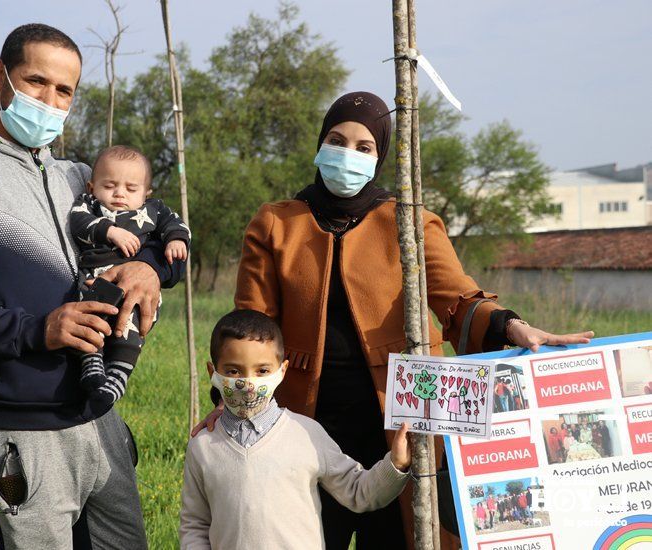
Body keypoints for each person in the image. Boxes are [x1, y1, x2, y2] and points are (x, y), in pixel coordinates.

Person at [193, 91, 593, 550]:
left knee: (401, 534)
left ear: (380, 156)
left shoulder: (410, 222)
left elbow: (458, 298)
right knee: (302, 531)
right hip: (302, 418)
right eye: (337, 140)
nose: (348, 154)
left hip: (403, 418)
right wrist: (228, 396)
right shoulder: (275, 223)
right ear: (319, 145)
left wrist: (510, 325)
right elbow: (251, 325)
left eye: (363, 148)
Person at [0, 23, 183, 548]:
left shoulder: (77, 177)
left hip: (99, 414)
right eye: (36, 81)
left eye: (64, 89)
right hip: (17, 425)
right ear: (0, 77)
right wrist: (35, 331)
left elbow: (152, 238)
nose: (50, 100)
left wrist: (151, 269)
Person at [179, 310, 410, 550]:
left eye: (262, 371)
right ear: (212, 373)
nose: (248, 384)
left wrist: (396, 465)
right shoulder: (203, 445)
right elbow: (195, 524)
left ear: (282, 371)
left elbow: (358, 490)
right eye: (233, 371)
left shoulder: (307, 434)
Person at [69, 144, 190, 406]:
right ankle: (91, 363)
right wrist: (108, 231)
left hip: (137, 289)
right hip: (95, 278)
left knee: (131, 326)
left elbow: (176, 225)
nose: (119, 194)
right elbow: (77, 221)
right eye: (109, 186)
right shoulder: (89, 205)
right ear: (92, 187)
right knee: (89, 316)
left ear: (146, 193)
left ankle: (118, 377)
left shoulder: (154, 210)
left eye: (131, 188)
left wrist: (176, 240)